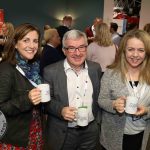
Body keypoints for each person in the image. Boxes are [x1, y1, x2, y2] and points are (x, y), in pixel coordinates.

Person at [43, 29, 102, 150]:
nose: (77, 53)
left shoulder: (95, 68)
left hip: (90, 131)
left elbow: (98, 96)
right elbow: (46, 101)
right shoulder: (50, 71)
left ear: (86, 48)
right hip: (64, 132)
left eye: (81, 47)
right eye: (71, 48)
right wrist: (61, 110)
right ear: (64, 50)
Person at [98, 29, 150, 150]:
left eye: (141, 50)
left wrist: (147, 110)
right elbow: (101, 99)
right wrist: (114, 104)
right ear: (123, 51)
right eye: (131, 49)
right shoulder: (111, 73)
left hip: (141, 134)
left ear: (147, 52)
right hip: (113, 135)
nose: (135, 55)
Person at [0, 23, 43, 149]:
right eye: (26, 40)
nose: (32, 46)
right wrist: (27, 99)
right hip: (15, 137)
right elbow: (1, 108)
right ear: (15, 43)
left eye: (35, 41)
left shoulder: (33, 67)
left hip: (34, 130)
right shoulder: (6, 69)